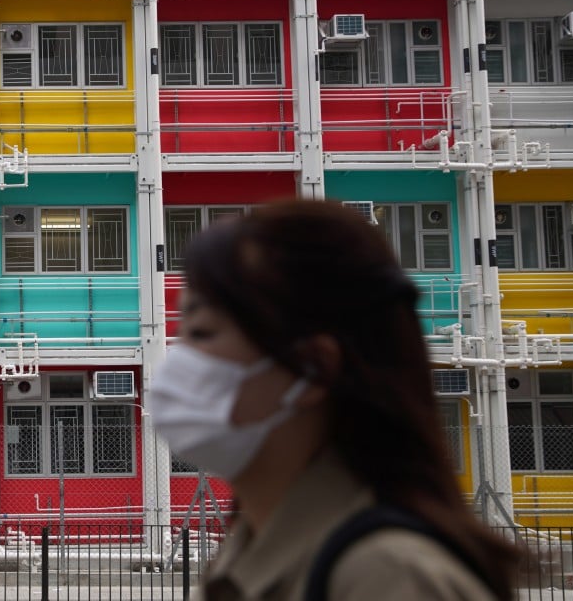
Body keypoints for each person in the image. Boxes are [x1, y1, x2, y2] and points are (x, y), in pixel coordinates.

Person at [148, 199, 521, 601]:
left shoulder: (386, 577)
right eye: (181, 331)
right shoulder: (244, 557)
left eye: (202, 332)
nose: (177, 358)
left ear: (313, 366)